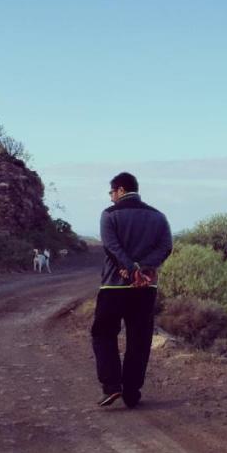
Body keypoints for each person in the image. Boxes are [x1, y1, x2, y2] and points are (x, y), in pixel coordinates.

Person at [92, 172, 172, 408]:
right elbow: (166, 247)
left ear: (121, 190)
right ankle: (132, 393)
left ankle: (112, 386)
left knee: (103, 333)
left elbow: (111, 246)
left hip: (113, 286)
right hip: (145, 288)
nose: (111, 198)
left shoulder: (109, 215)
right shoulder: (159, 217)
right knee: (139, 338)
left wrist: (130, 268)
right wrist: (145, 269)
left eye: (112, 193)